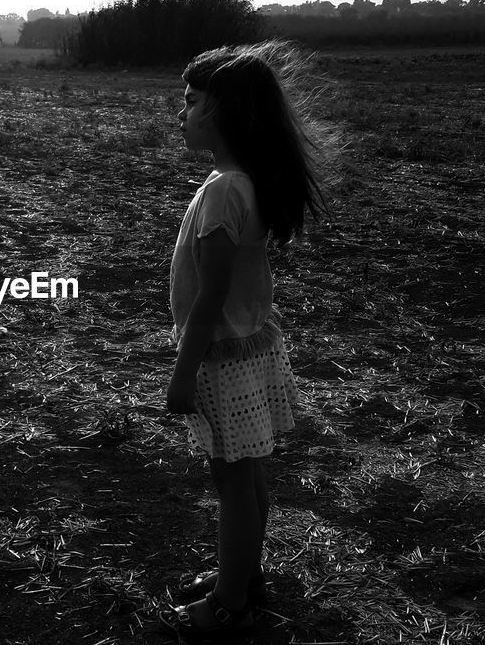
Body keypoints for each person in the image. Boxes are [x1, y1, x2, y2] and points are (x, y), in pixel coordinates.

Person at [159, 40, 328, 638]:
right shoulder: (247, 182)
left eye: (190, 102)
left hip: (221, 357)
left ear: (223, 111)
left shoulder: (222, 192)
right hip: (253, 347)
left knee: (232, 483)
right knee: (250, 476)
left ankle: (230, 605)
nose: (181, 114)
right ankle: (244, 577)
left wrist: (183, 371)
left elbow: (209, 296)